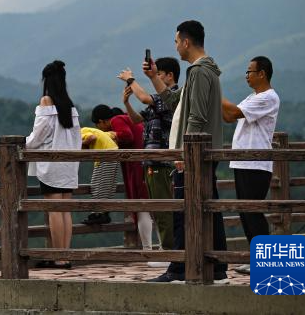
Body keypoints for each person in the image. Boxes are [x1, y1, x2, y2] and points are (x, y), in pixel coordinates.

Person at [147, 20, 228, 283]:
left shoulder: (200, 72)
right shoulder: (202, 72)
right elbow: (173, 100)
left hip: (195, 154)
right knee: (208, 209)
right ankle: (216, 268)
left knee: (185, 213)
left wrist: (184, 152)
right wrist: (153, 78)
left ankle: (179, 269)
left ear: (185, 41)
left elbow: (197, 115)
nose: (175, 47)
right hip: (201, 152)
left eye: (176, 41)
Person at [119, 56, 181, 265]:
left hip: (162, 161)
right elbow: (138, 119)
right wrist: (126, 102)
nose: (156, 78)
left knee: (163, 208)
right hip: (152, 161)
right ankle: (167, 250)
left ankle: (168, 252)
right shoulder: (161, 100)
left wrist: (131, 80)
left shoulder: (171, 96)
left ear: (169, 76)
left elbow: (145, 98)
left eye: (158, 74)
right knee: (158, 207)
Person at [221, 56, 280, 275]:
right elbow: (229, 116)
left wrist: (212, 88)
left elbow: (234, 112)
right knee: (246, 213)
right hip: (243, 162)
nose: (246, 75)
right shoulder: (252, 97)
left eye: (250, 72)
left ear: (262, 74)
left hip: (255, 163)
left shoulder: (269, 97)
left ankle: (266, 262)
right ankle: (258, 260)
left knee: (253, 212)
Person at [25, 60, 82, 269]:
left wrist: (24, 143)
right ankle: (65, 255)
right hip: (68, 164)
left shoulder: (47, 101)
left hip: (51, 164)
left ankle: (58, 257)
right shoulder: (70, 105)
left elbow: (39, 134)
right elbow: (77, 138)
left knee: (54, 209)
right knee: (65, 209)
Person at [91, 103, 155, 256]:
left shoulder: (117, 120)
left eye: (99, 126)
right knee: (152, 206)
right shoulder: (127, 117)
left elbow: (127, 136)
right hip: (146, 164)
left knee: (141, 206)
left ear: (102, 121)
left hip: (137, 166)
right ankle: (159, 249)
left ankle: (148, 250)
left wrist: (109, 135)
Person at [80, 123, 118, 226]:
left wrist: (80, 143)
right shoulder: (94, 130)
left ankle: (97, 214)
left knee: (98, 185)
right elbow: (113, 134)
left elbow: (92, 138)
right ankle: (104, 213)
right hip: (114, 153)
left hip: (105, 156)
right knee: (107, 185)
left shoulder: (81, 132)